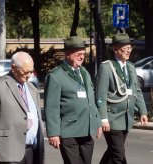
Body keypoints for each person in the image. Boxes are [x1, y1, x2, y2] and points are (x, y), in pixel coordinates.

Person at [0, 51, 44, 164]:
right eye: (26, 71)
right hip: (8, 150)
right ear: (13, 68)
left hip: (32, 150)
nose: (29, 75)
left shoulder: (32, 89)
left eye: (31, 71)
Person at [44, 36, 102, 164]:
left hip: (86, 130)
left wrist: (97, 122)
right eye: (78, 54)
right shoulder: (55, 76)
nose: (82, 57)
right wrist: (53, 133)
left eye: (83, 54)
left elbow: (91, 100)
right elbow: (51, 107)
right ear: (67, 54)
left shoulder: (84, 73)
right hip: (69, 131)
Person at [95, 31, 148, 164]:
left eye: (130, 47)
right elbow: (100, 95)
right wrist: (103, 118)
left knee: (113, 152)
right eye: (125, 48)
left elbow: (137, 91)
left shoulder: (130, 67)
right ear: (115, 49)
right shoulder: (106, 67)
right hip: (112, 118)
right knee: (119, 155)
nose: (128, 50)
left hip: (126, 118)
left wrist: (143, 111)